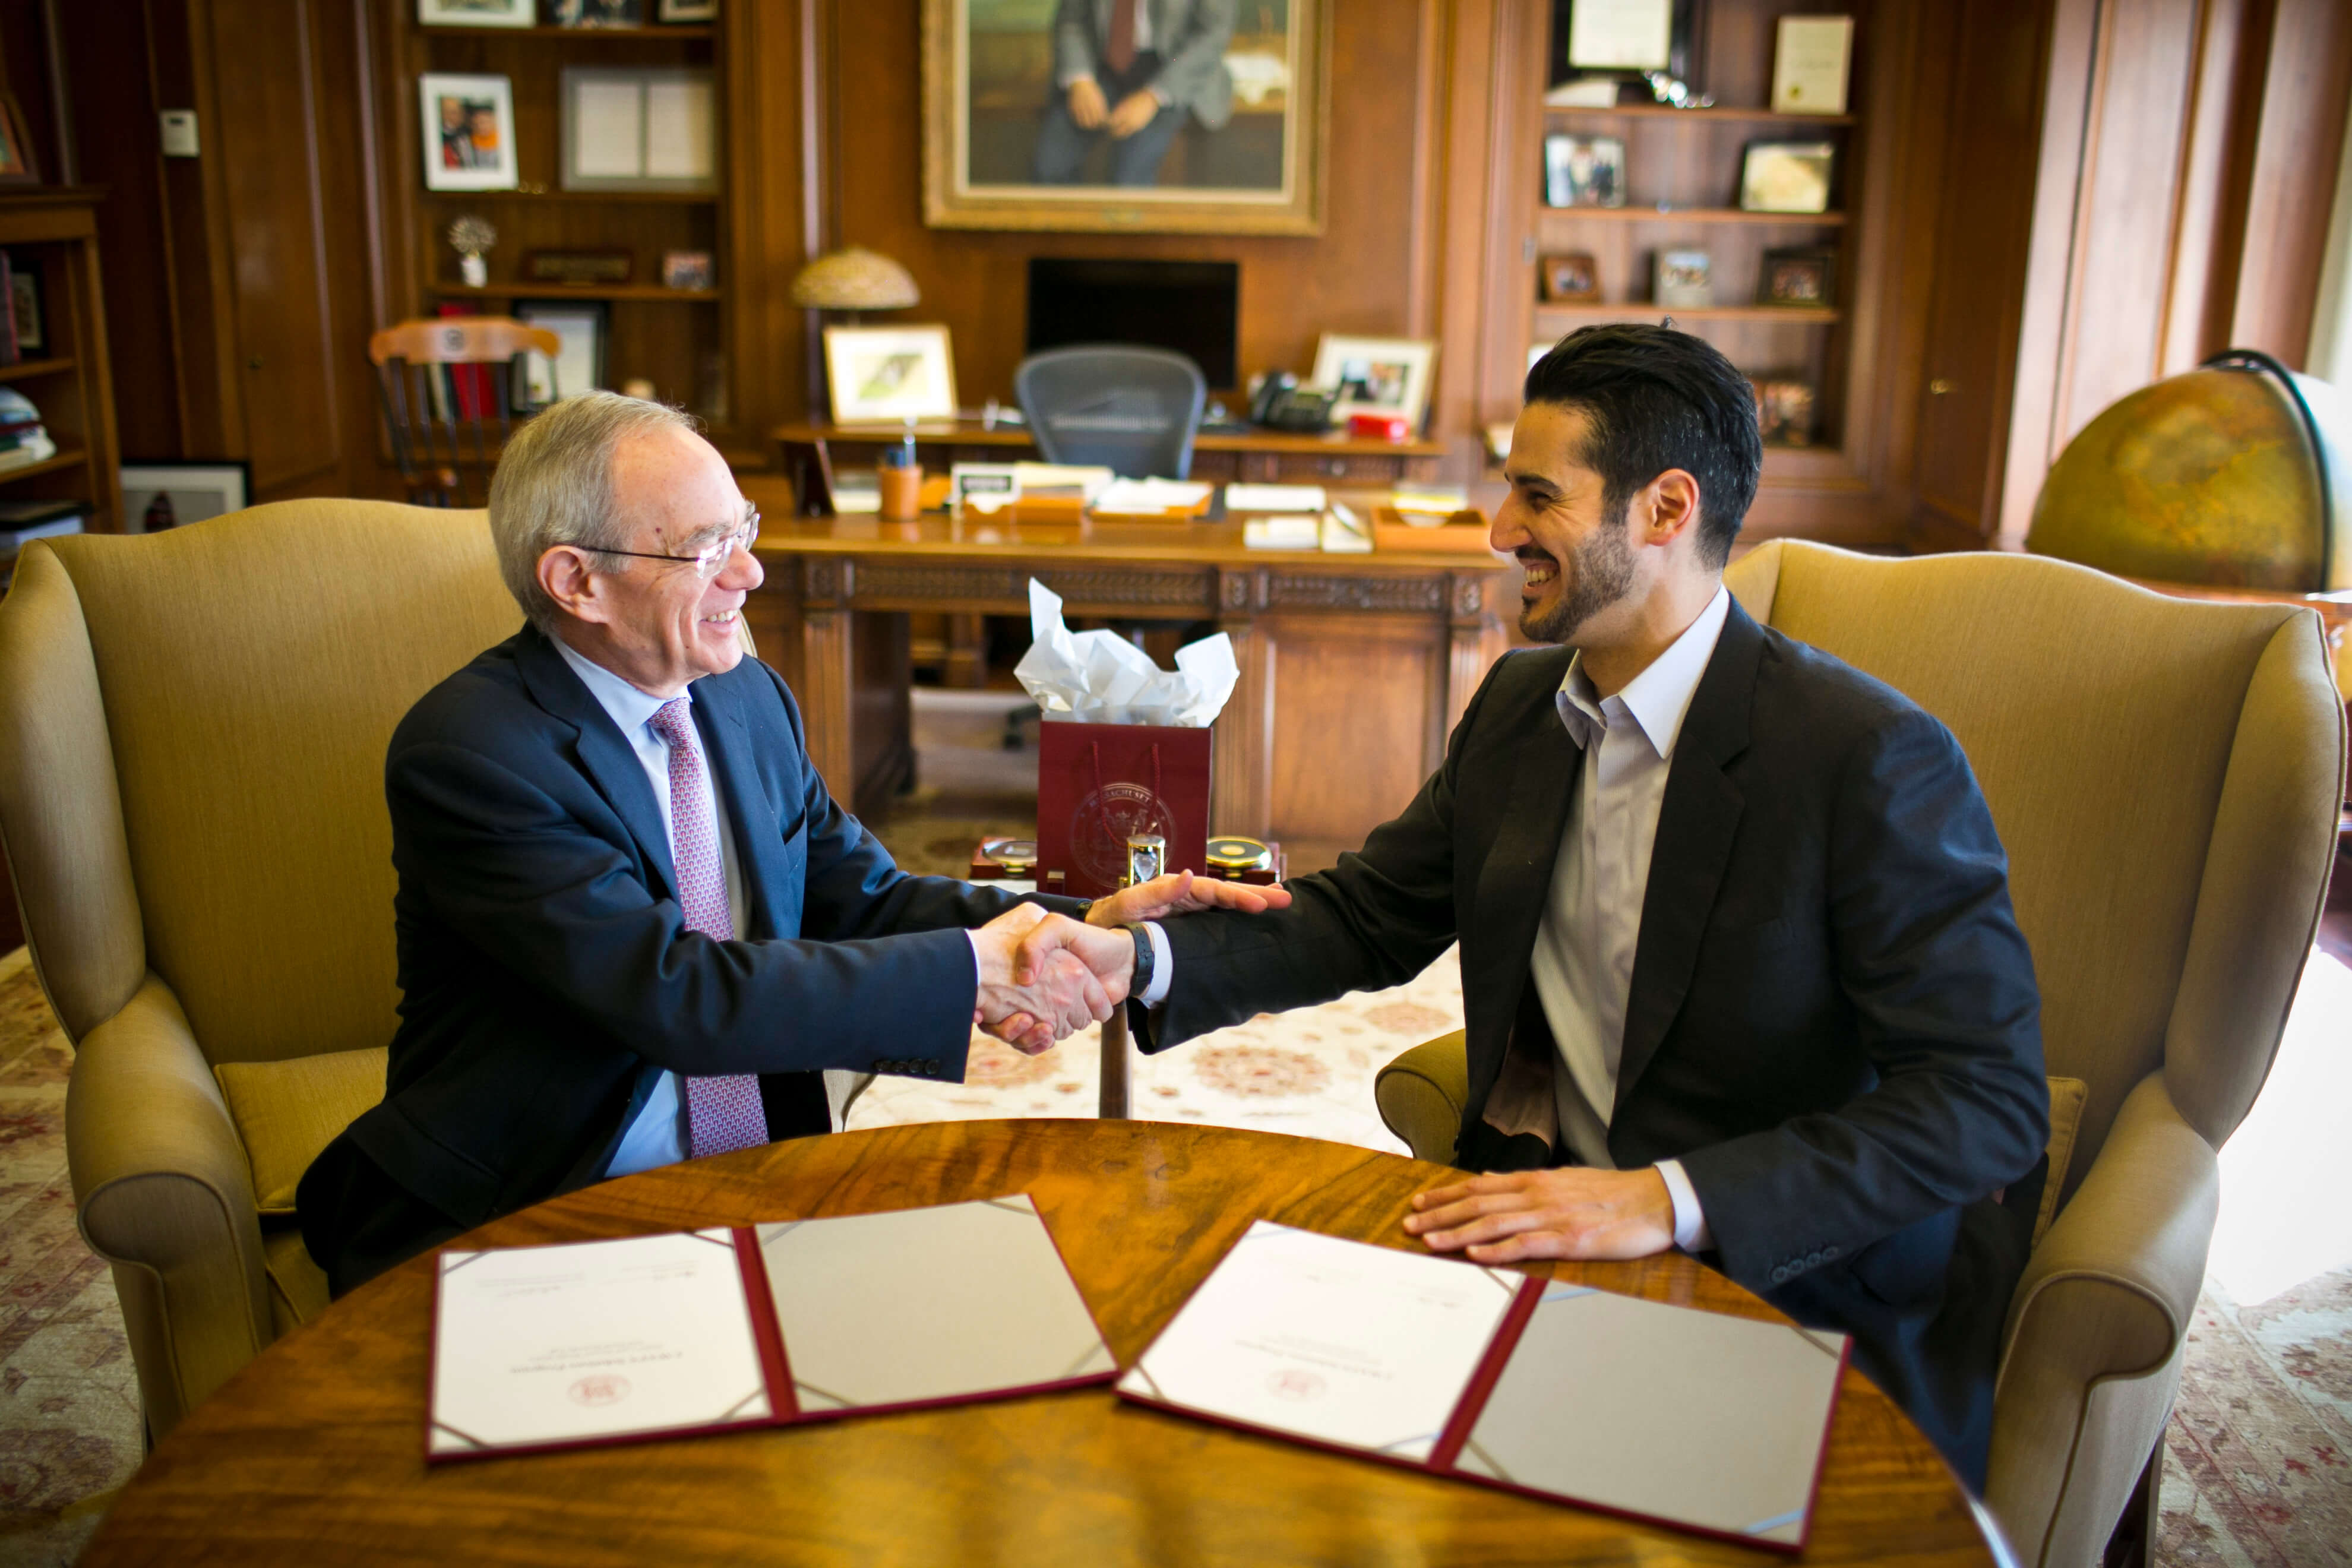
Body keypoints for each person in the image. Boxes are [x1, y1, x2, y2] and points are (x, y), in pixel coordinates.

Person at [1015, 324, 2051, 1488]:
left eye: (1535, 496)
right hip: (1529, 1240)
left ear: (1665, 511)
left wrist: (1664, 1203)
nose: (1498, 531)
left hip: (1781, 1288)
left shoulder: (1868, 760)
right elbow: (1369, 916)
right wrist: (1139, 963)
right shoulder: (1518, 706)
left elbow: (1987, 1104)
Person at [296, 393, 1281, 1295]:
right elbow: (674, 998)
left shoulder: (742, 695)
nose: (750, 572)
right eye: (704, 546)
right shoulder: (475, 753)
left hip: (766, 1168)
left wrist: (1069, 924)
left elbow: (863, 895)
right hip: (538, 1193)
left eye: (745, 529)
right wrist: (969, 977)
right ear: (576, 582)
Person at [1032, 0, 1237, 188]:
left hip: (1172, 68)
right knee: (1050, 167)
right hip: (1101, 68)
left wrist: (1154, 95)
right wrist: (1080, 79)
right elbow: (1072, 20)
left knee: (1129, 181)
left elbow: (1213, 33)